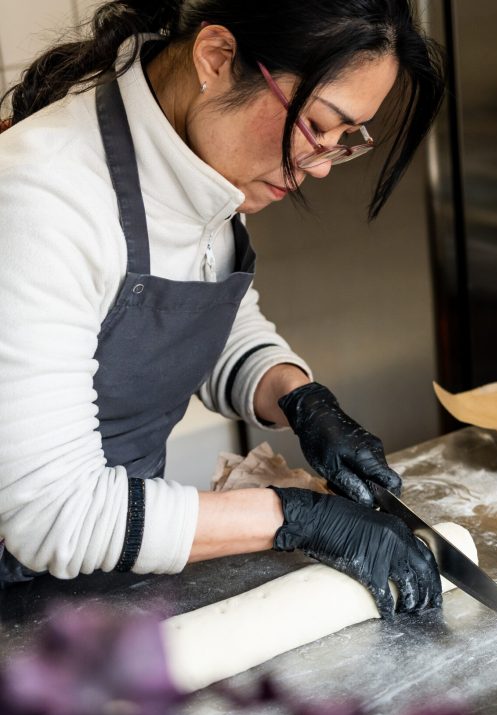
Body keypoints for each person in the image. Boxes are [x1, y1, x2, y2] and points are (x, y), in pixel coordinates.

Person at [0, 0, 446, 617]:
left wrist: (299, 398)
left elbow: (194, 316)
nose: (317, 166)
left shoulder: (200, 158)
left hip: (111, 564)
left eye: (347, 141)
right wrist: (295, 517)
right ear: (216, 58)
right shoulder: (40, 199)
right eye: (318, 124)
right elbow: (54, 512)